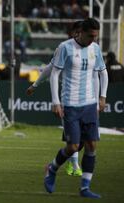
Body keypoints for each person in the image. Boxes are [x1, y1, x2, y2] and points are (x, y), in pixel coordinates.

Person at [44, 18, 108, 199]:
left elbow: (102, 73)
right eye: (90, 36)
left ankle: (84, 188)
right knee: (73, 146)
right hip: (70, 104)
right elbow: (55, 74)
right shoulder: (65, 48)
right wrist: (56, 102)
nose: (93, 40)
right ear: (81, 32)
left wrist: (102, 97)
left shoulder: (95, 49)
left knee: (91, 145)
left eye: (96, 36)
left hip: (89, 104)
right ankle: (52, 168)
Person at [26, 21, 84, 177]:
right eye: (76, 31)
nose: (79, 34)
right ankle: (74, 165)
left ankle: (69, 164)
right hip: (68, 98)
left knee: (82, 138)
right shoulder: (63, 48)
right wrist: (35, 85)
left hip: (86, 99)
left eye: (81, 31)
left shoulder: (90, 49)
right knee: (73, 136)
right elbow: (50, 69)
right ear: (72, 33)